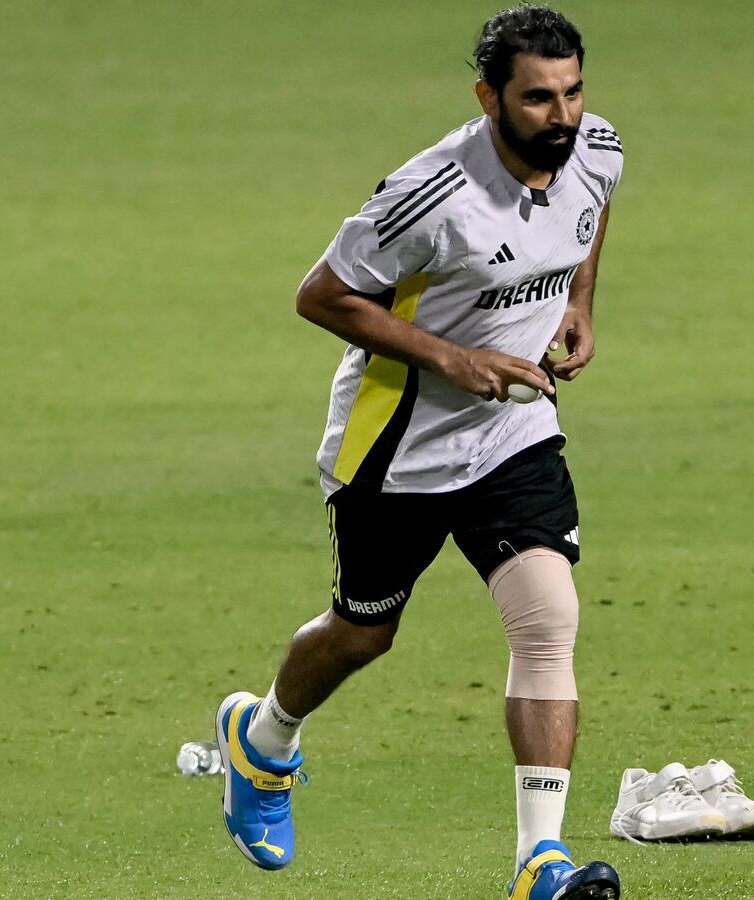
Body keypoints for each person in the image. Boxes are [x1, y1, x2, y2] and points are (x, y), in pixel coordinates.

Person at [216, 6, 624, 897]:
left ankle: (538, 861)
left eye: (572, 91)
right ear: (488, 97)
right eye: (536, 98)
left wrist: (576, 307)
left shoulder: (595, 147)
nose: (561, 116)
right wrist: (454, 358)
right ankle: (263, 742)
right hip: (396, 447)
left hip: (512, 435)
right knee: (363, 632)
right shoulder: (429, 196)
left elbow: (587, 221)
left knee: (547, 619)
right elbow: (320, 296)